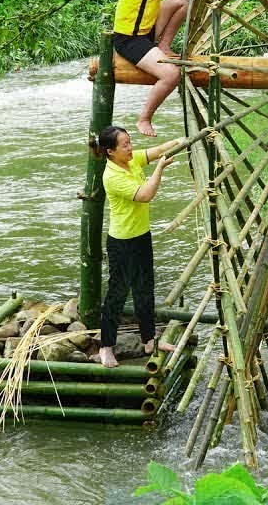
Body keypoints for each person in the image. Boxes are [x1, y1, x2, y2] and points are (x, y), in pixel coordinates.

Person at [92, 125, 183, 367]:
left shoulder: (130, 161)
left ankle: (149, 340)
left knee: (145, 288)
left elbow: (156, 151)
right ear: (111, 151)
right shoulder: (112, 176)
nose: (131, 148)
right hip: (122, 242)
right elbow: (145, 194)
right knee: (117, 294)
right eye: (125, 145)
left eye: (130, 142)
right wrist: (160, 170)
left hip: (142, 236)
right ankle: (106, 347)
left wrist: (182, 140)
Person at [114, 0, 194, 137]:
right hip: (130, 40)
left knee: (187, 1)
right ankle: (144, 118)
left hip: (145, 32)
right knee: (171, 74)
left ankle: (163, 46)